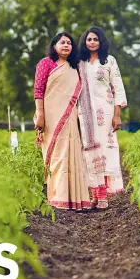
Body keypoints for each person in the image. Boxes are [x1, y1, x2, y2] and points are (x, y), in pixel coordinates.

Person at [33, 31, 92, 211]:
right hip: (50, 117)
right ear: (54, 46)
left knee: (71, 153)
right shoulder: (46, 63)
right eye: (62, 42)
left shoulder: (75, 67)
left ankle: (74, 199)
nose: (66, 45)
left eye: (69, 43)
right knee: (56, 156)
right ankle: (58, 196)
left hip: (69, 117)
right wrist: (40, 114)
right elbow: (38, 90)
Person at [76, 26, 128, 210]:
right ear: (85, 41)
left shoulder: (109, 61)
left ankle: (104, 195)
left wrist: (117, 115)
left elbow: (118, 87)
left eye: (95, 39)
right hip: (85, 114)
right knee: (89, 153)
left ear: (101, 42)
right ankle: (95, 195)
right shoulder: (79, 63)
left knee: (105, 152)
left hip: (105, 114)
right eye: (89, 39)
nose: (92, 42)